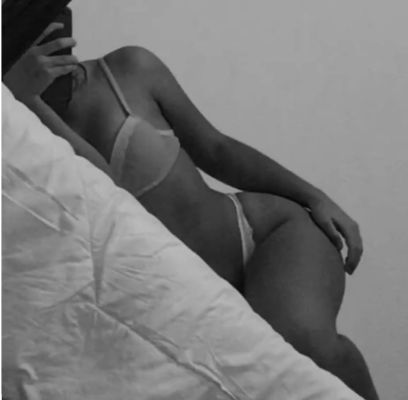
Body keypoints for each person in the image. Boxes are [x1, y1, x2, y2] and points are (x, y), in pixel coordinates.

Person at [4, 23, 379, 399]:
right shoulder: (17, 132)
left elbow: (217, 150)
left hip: (264, 235)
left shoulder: (128, 69)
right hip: (187, 303)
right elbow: (98, 195)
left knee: (300, 347)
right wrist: (23, 101)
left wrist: (315, 197)